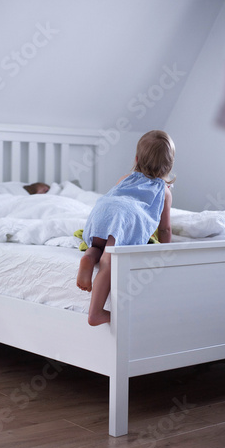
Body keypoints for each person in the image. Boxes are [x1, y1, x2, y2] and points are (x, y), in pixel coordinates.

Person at [76, 130, 175, 326]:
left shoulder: (125, 178)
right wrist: (166, 250)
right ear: (170, 164)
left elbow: (117, 198)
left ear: (137, 158)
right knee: (109, 258)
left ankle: (88, 257)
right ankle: (95, 313)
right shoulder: (163, 190)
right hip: (124, 218)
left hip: (101, 213)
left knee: (99, 247)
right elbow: (165, 229)